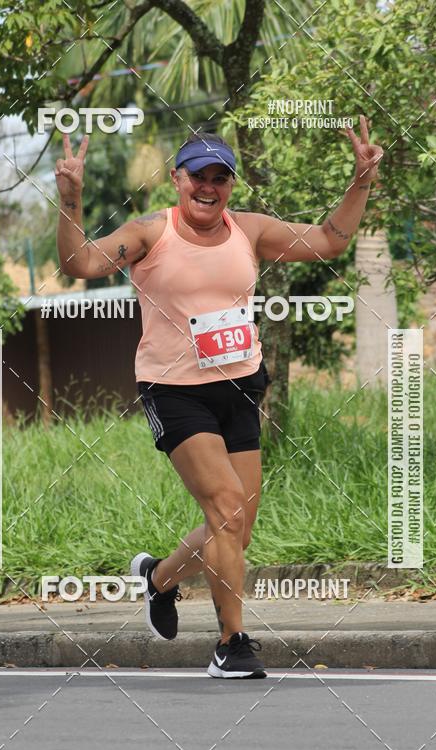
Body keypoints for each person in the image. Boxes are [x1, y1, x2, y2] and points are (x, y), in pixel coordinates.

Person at [56, 116, 383, 678]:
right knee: (227, 512)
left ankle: (158, 579)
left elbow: (331, 238)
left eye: (220, 177)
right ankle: (232, 645)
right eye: (198, 176)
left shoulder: (249, 229)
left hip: (240, 385)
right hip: (175, 390)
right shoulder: (148, 234)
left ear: (231, 184)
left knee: (234, 524)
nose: (209, 187)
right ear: (177, 180)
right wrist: (71, 201)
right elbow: (78, 263)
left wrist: (361, 181)